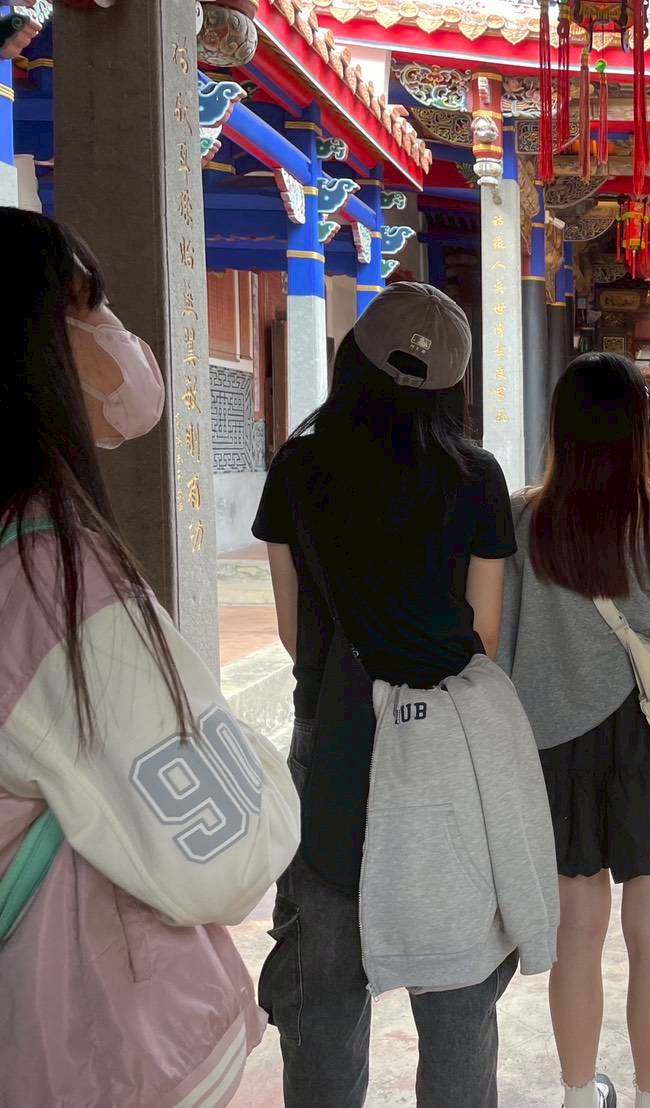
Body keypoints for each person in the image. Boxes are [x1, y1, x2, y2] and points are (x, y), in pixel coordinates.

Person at [0, 208, 299, 1106]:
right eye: (87, 307)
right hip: (84, 1046)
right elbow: (224, 855)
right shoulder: (51, 576)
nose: (117, 339)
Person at [254, 284, 521, 1106]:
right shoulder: (476, 474)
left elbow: (295, 632)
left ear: (353, 358)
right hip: (441, 744)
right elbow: (482, 634)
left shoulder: (299, 466)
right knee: (458, 989)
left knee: (325, 988)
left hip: (333, 740)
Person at [498, 352, 650, 1108]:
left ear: (560, 425)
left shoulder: (523, 518)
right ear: (641, 426)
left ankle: (577, 1094)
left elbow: (500, 640)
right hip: (647, 744)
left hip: (555, 749)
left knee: (576, 936)